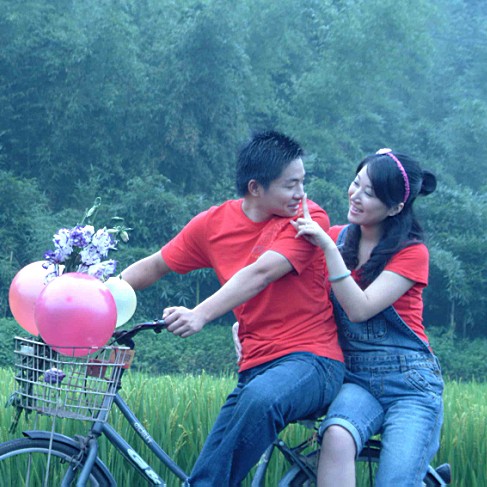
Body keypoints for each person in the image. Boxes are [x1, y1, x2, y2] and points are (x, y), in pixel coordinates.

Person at [121, 130, 345, 486]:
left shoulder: (308, 218)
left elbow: (261, 273)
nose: (301, 193)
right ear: (255, 188)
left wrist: (200, 313)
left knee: (258, 404)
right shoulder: (213, 225)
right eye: (290, 185)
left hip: (314, 362)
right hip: (255, 368)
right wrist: (102, 296)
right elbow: (156, 264)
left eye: (302, 182)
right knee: (207, 473)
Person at [292, 148, 444, 486]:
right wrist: (245, 324)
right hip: (357, 379)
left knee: (396, 479)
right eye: (356, 183)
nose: (356, 196)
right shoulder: (337, 237)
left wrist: (328, 250)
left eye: (370, 193)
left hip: (410, 386)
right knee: (336, 435)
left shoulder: (412, 253)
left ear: (395, 207)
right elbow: (295, 293)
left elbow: (359, 309)